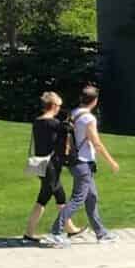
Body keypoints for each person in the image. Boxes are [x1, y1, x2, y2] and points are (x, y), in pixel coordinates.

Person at [47, 84, 120, 247]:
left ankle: (101, 233)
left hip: (75, 162)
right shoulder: (89, 118)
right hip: (83, 163)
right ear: (94, 101)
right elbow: (97, 143)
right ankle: (55, 232)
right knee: (78, 199)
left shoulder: (73, 113)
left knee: (92, 197)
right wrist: (111, 162)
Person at [23, 91, 83, 245]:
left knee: (60, 196)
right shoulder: (54, 124)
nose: (60, 109)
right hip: (51, 165)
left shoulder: (38, 122)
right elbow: (69, 131)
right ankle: (30, 233)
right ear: (54, 106)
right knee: (43, 198)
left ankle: (70, 228)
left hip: (42, 163)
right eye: (59, 106)